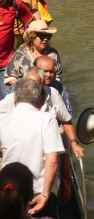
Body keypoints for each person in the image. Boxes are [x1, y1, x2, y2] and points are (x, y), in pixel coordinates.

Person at [0, 79, 65, 217]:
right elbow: (52, 160)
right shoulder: (47, 119)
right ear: (37, 99)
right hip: (40, 193)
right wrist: (45, 194)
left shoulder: (3, 121)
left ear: (15, 97)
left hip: (9, 190)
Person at [0, 66, 84, 159]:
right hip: (21, 151)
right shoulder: (12, 99)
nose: (30, 88)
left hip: (48, 149)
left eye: (35, 84)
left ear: (43, 84)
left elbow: (66, 120)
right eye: (27, 83)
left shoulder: (53, 94)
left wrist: (74, 143)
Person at [0, 0, 33, 100]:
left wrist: (27, 47)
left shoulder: (15, 4)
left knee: (13, 102)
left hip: (5, 66)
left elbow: (30, 24)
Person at [4, 19, 62, 86]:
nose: (45, 39)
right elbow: (10, 78)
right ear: (32, 37)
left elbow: (57, 77)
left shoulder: (53, 53)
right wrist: (27, 87)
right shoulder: (20, 54)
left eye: (48, 36)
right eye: (42, 36)